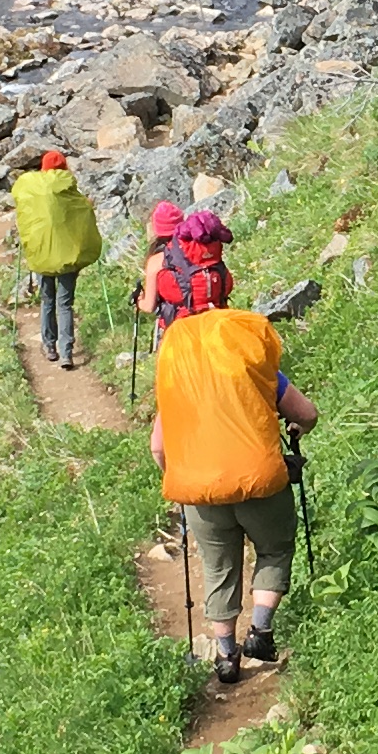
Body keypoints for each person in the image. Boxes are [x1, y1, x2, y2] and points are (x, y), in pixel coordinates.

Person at [151, 290, 318, 683]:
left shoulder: (180, 383)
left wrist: (177, 475)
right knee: (275, 548)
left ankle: (226, 657)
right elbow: (306, 414)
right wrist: (297, 430)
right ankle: (260, 631)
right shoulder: (257, 368)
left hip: (201, 491)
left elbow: (158, 447)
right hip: (260, 478)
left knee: (218, 567)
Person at [9, 149, 100, 367]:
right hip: (68, 257)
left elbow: (23, 210)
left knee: (47, 300)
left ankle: (49, 346)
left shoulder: (33, 189)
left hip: (42, 256)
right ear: (63, 169)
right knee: (65, 303)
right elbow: (83, 212)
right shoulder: (70, 190)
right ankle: (66, 352)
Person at [137, 201, 235, 338]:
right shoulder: (203, 249)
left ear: (157, 229)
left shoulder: (157, 260)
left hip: (181, 328)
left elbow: (149, 306)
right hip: (216, 315)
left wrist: (138, 301)